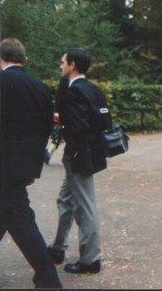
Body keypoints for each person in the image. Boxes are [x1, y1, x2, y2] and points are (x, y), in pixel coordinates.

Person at [0, 38, 63, 288]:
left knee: (20, 220)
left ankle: (48, 278)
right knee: (7, 214)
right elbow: (46, 128)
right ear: (24, 60)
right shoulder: (39, 87)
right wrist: (33, 165)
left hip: (1, 167)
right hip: (22, 166)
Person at [48, 49, 104, 274]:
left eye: (63, 62)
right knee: (65, 199)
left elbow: (79, 126)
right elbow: (102, 120)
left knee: (85, 206)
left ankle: (91, 259)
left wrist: (74, 150)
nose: (61, 65)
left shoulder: (73, 92)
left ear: (72, 65)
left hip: (78, 156)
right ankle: (58, 247)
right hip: (89, 153)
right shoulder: (93, 89)